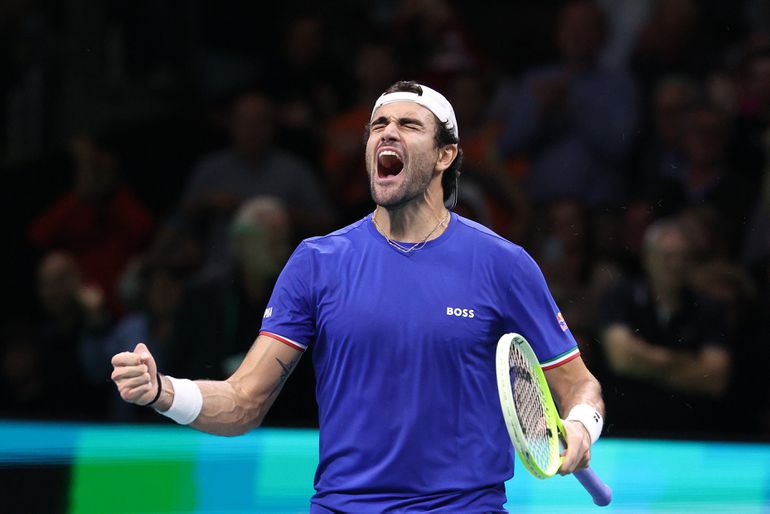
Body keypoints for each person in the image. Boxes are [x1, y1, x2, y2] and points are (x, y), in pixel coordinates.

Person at [111, 80, 605, 513]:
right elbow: (244, 402)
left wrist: (580, 427)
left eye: (409, 125)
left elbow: (581, 387)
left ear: (444, 154)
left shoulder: (503, 264)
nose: (387, 133)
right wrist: (163, 392)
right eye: (378, 124)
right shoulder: (317, 262)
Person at [598, 217, 733, 436]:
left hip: (689, 432)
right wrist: (685, 363)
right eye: (668, 256)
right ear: (647, 258)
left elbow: (715, 379)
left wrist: (646, 360)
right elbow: (622, 359)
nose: (676, 264)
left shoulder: (708, 307)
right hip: (626, 431)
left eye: (683, 257)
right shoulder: (620, 296)